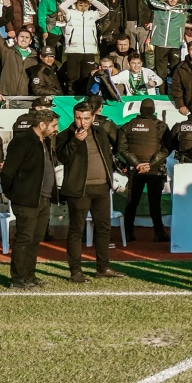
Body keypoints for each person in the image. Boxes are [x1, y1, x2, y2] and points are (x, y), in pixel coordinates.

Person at [55, 98, 126, 282]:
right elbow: (62, 157)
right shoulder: (65, 135)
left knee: (104, 229)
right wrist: (75, 141)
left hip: (102, 187)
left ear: (93, 117)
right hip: (79, 190)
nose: (82, 122)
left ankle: (103, 268)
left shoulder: (100, 132)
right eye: (79, 118)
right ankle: (75, 271)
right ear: (74, 117)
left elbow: (109, 154)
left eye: (86, 118)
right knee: (76, 230)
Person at [1, 106, 58, 288]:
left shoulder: (45, 141)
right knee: (24, 239)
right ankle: (17, 279)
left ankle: (29, 276)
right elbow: (8, 172)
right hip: (26, 200)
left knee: (35, 239)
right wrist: (13, 194)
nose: (55, 129)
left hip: (43, 199)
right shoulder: (22, 141)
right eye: (53, 125)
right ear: (42, 125)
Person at [115, 98, 170, 241]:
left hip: (134, 170)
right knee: (155, 203)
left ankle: (128, 233)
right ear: (153, 110)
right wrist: (150, 164)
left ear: (140, 110)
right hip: (155, 171)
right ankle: (159, 232)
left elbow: (121, 149)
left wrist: (137, 164)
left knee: (131, 203)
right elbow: (166, 149)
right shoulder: (161, 126)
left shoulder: (128, 125)